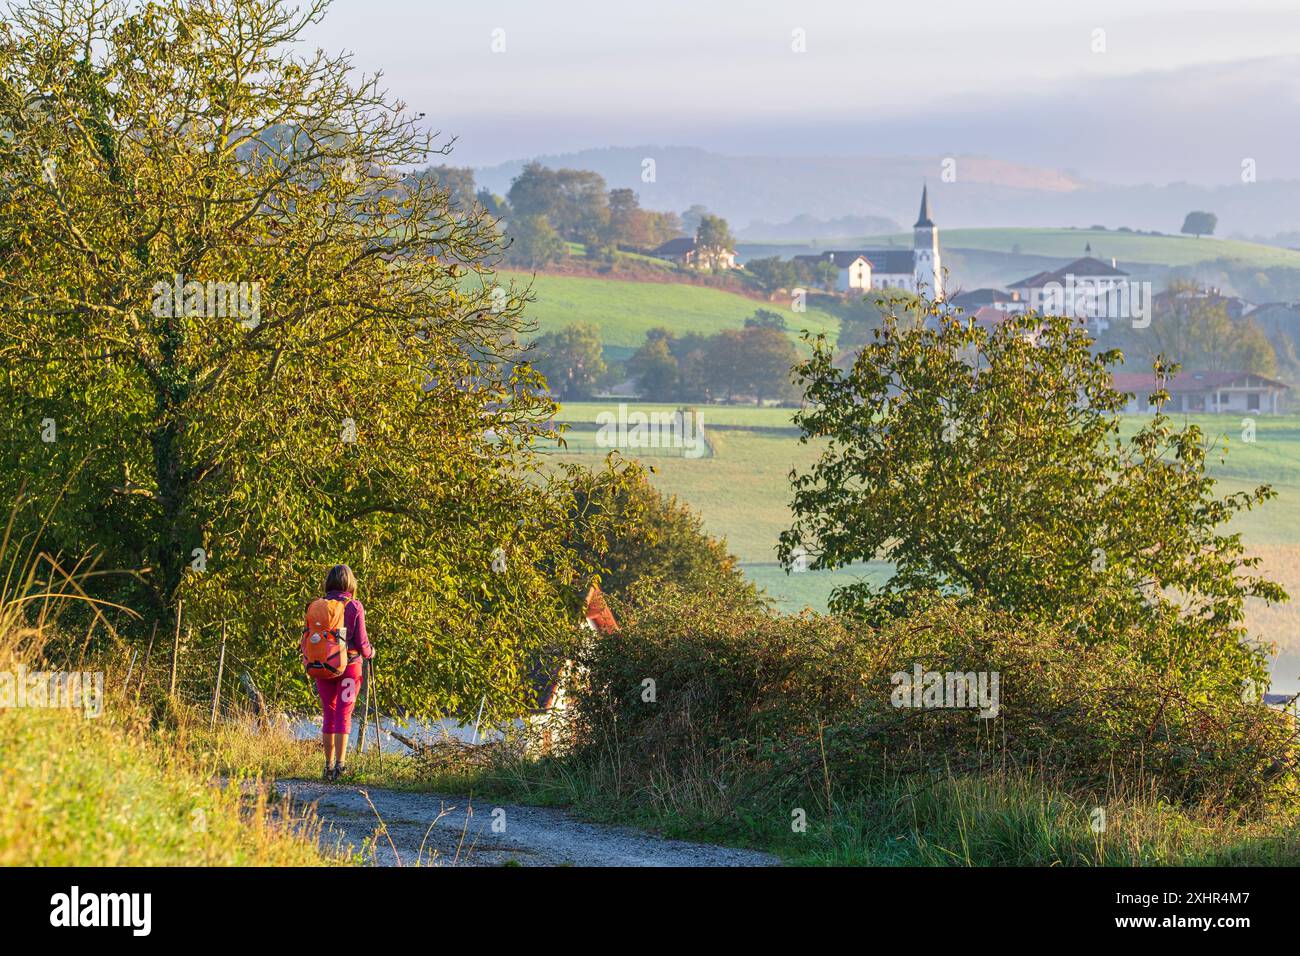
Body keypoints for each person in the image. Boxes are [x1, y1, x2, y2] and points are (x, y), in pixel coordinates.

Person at [314, 563, 373, 781]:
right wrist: (371, 653)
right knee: (344, 713)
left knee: (328, 713)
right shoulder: (354, 606)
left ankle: (327, 767)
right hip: (350, 666)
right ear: (350, 583)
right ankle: (341, 765)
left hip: (323, 666)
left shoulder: (318, 605)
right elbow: (362, 642)